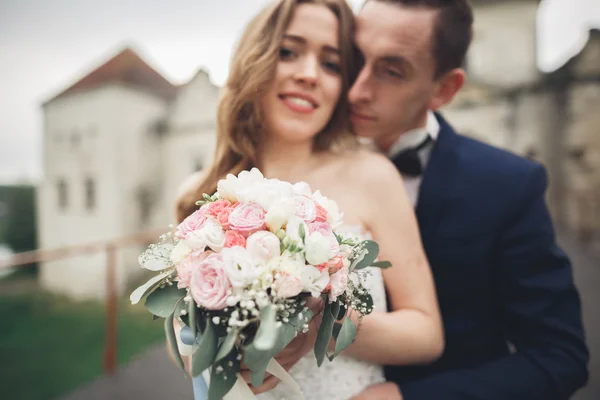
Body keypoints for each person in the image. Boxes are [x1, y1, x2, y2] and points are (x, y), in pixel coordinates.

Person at [267, 0, 590, 399]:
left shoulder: (506, 184)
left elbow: (559, 357)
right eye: (351, 59)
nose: (356, 88)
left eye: (391, 71)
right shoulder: (285, 165)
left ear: (444, 89)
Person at [174, 0, 444, 399]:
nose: (309, 75)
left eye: (331, 64)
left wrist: (318, 325)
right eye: (288, 52)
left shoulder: (373, 176)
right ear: (256, 58)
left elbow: (426, 334)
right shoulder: (197, 193)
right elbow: (180, 336)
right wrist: (213, 344)